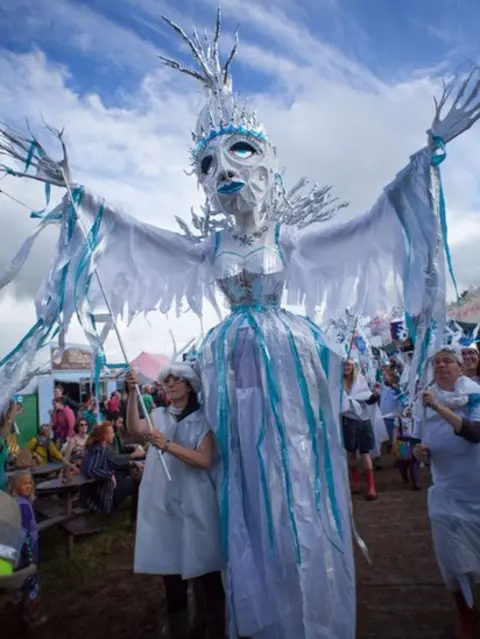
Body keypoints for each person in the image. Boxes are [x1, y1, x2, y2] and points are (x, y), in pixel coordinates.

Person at [0, 12, 479, 639]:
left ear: (266, 159)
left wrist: (420, 167)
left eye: (240, 152)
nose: (225, 172)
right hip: (231, 366)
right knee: (244, 481)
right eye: (208, 163)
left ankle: (310, 592)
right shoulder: (210, 251)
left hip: (288, 360)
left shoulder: (289, 239)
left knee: (299, 476)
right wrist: (82, 199)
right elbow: (138, 234)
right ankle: (256, 600)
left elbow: (367, 224)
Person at [126, 363, 224, 639]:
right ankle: (180, 630)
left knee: (207, 570)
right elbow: (134, 426)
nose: (169, 385)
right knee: (172, 572)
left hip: (198, 504)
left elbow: (204, 459)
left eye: (176, 380)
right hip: (167, 505)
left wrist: (167, 445)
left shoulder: (203, 420)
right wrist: (133, 393)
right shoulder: (157, 415)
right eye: (166, 381)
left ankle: (214, 627)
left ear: (189, 386)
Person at [413, 346, 480, 638]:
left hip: (477, 490)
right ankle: (464, 613)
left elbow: (475, 433)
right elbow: (420, 444)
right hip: (446, 494)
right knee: (453, 561)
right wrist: (420, 453)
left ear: (460, 368)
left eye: (448, 361)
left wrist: (439, 407)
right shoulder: (423, 400)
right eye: (436, 362)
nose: (441, 365)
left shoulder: (475, 393)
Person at [8, 470, 48, 629]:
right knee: (32, 584)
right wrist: (32, 556)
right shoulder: (24, 506)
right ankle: (32, 617)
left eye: (30, 483)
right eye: (24, 483)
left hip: (13, 555)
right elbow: (28, 534)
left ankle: (16, 618)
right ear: (16, 486)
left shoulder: (13, 502)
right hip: (26, 553)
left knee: (16, 586)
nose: (28, 486)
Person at [80, 422, 142, 517]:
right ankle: (135, 518)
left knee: (129, 472)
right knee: (135, 483)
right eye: (112, 432)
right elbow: (91, 470)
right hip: (100, 498)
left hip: (101, 492)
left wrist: (132, 463)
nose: (114, 435)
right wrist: (109, 475)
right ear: (105, 436)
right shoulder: (98, 451)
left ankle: (135, 517)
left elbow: (113, 461)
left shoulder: (101, 449)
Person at [342, 359, 379, 500]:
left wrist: (375, 395)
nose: (346, 367)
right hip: (348, 421)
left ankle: (371, 487)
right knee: (351, 452)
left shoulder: (360, 380)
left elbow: (368, 398)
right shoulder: (338, 382)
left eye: (349, 365)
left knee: (365, 452)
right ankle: (356, 483)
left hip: (362, 421)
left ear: (353, 366)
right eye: (344, 365)